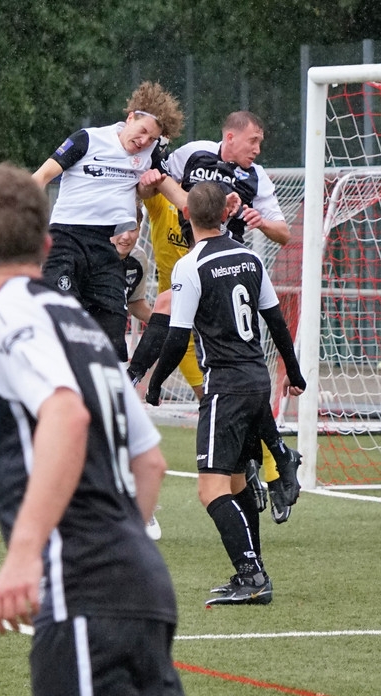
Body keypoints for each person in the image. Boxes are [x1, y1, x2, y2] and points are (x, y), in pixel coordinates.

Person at [0, 163, 184, 696]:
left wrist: (25, 552)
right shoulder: (83, 324)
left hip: (83, 593)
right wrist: (118, 551)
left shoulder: (3, 311)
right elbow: (149, 462)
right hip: (144, 582)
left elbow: (66, 414)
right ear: (45, 245)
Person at [132, 111, 296, 522]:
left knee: (231, 384)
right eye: (253, 140)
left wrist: (260, 221)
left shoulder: (254, 179)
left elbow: (283, 233)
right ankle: (269, 464)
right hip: (194, 290)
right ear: (230, 136)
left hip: (222, 277)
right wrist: (150, 178)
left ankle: (271, 469)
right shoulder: (190, 158)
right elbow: (153, 178)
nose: (258, 149)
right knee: (227, 393)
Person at [146, 182, 304, 606]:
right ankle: (252, 570)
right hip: (256, 379)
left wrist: (156, 384)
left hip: (225, 389)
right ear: (225, 215)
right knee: (236, 483)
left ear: (186, 215)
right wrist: (294, 372)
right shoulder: (250, 257)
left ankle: (253, 577)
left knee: (211, 490)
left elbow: (177, 337)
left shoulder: (190, 265)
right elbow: (276, 321)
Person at [31, 81, 183, 362]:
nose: (144, 141)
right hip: (66, 240)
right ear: (130, 117)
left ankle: (108, 387)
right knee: (63, 323)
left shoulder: (150, 155)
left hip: (107, 247)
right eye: (143, 131)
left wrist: (219, 208)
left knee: (113, 335)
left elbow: (178, 196)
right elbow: (40, 177)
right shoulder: (87, 139)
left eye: (152, 138)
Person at [111, 207, 163, 541]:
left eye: (134, 226)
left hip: (116, 358)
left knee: (128, 433)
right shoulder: (87, 255)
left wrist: (167, 322)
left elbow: (135, 304)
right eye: (120, 227)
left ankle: (142, 509)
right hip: (78, 359)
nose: (127, 235)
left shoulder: (138, 260)